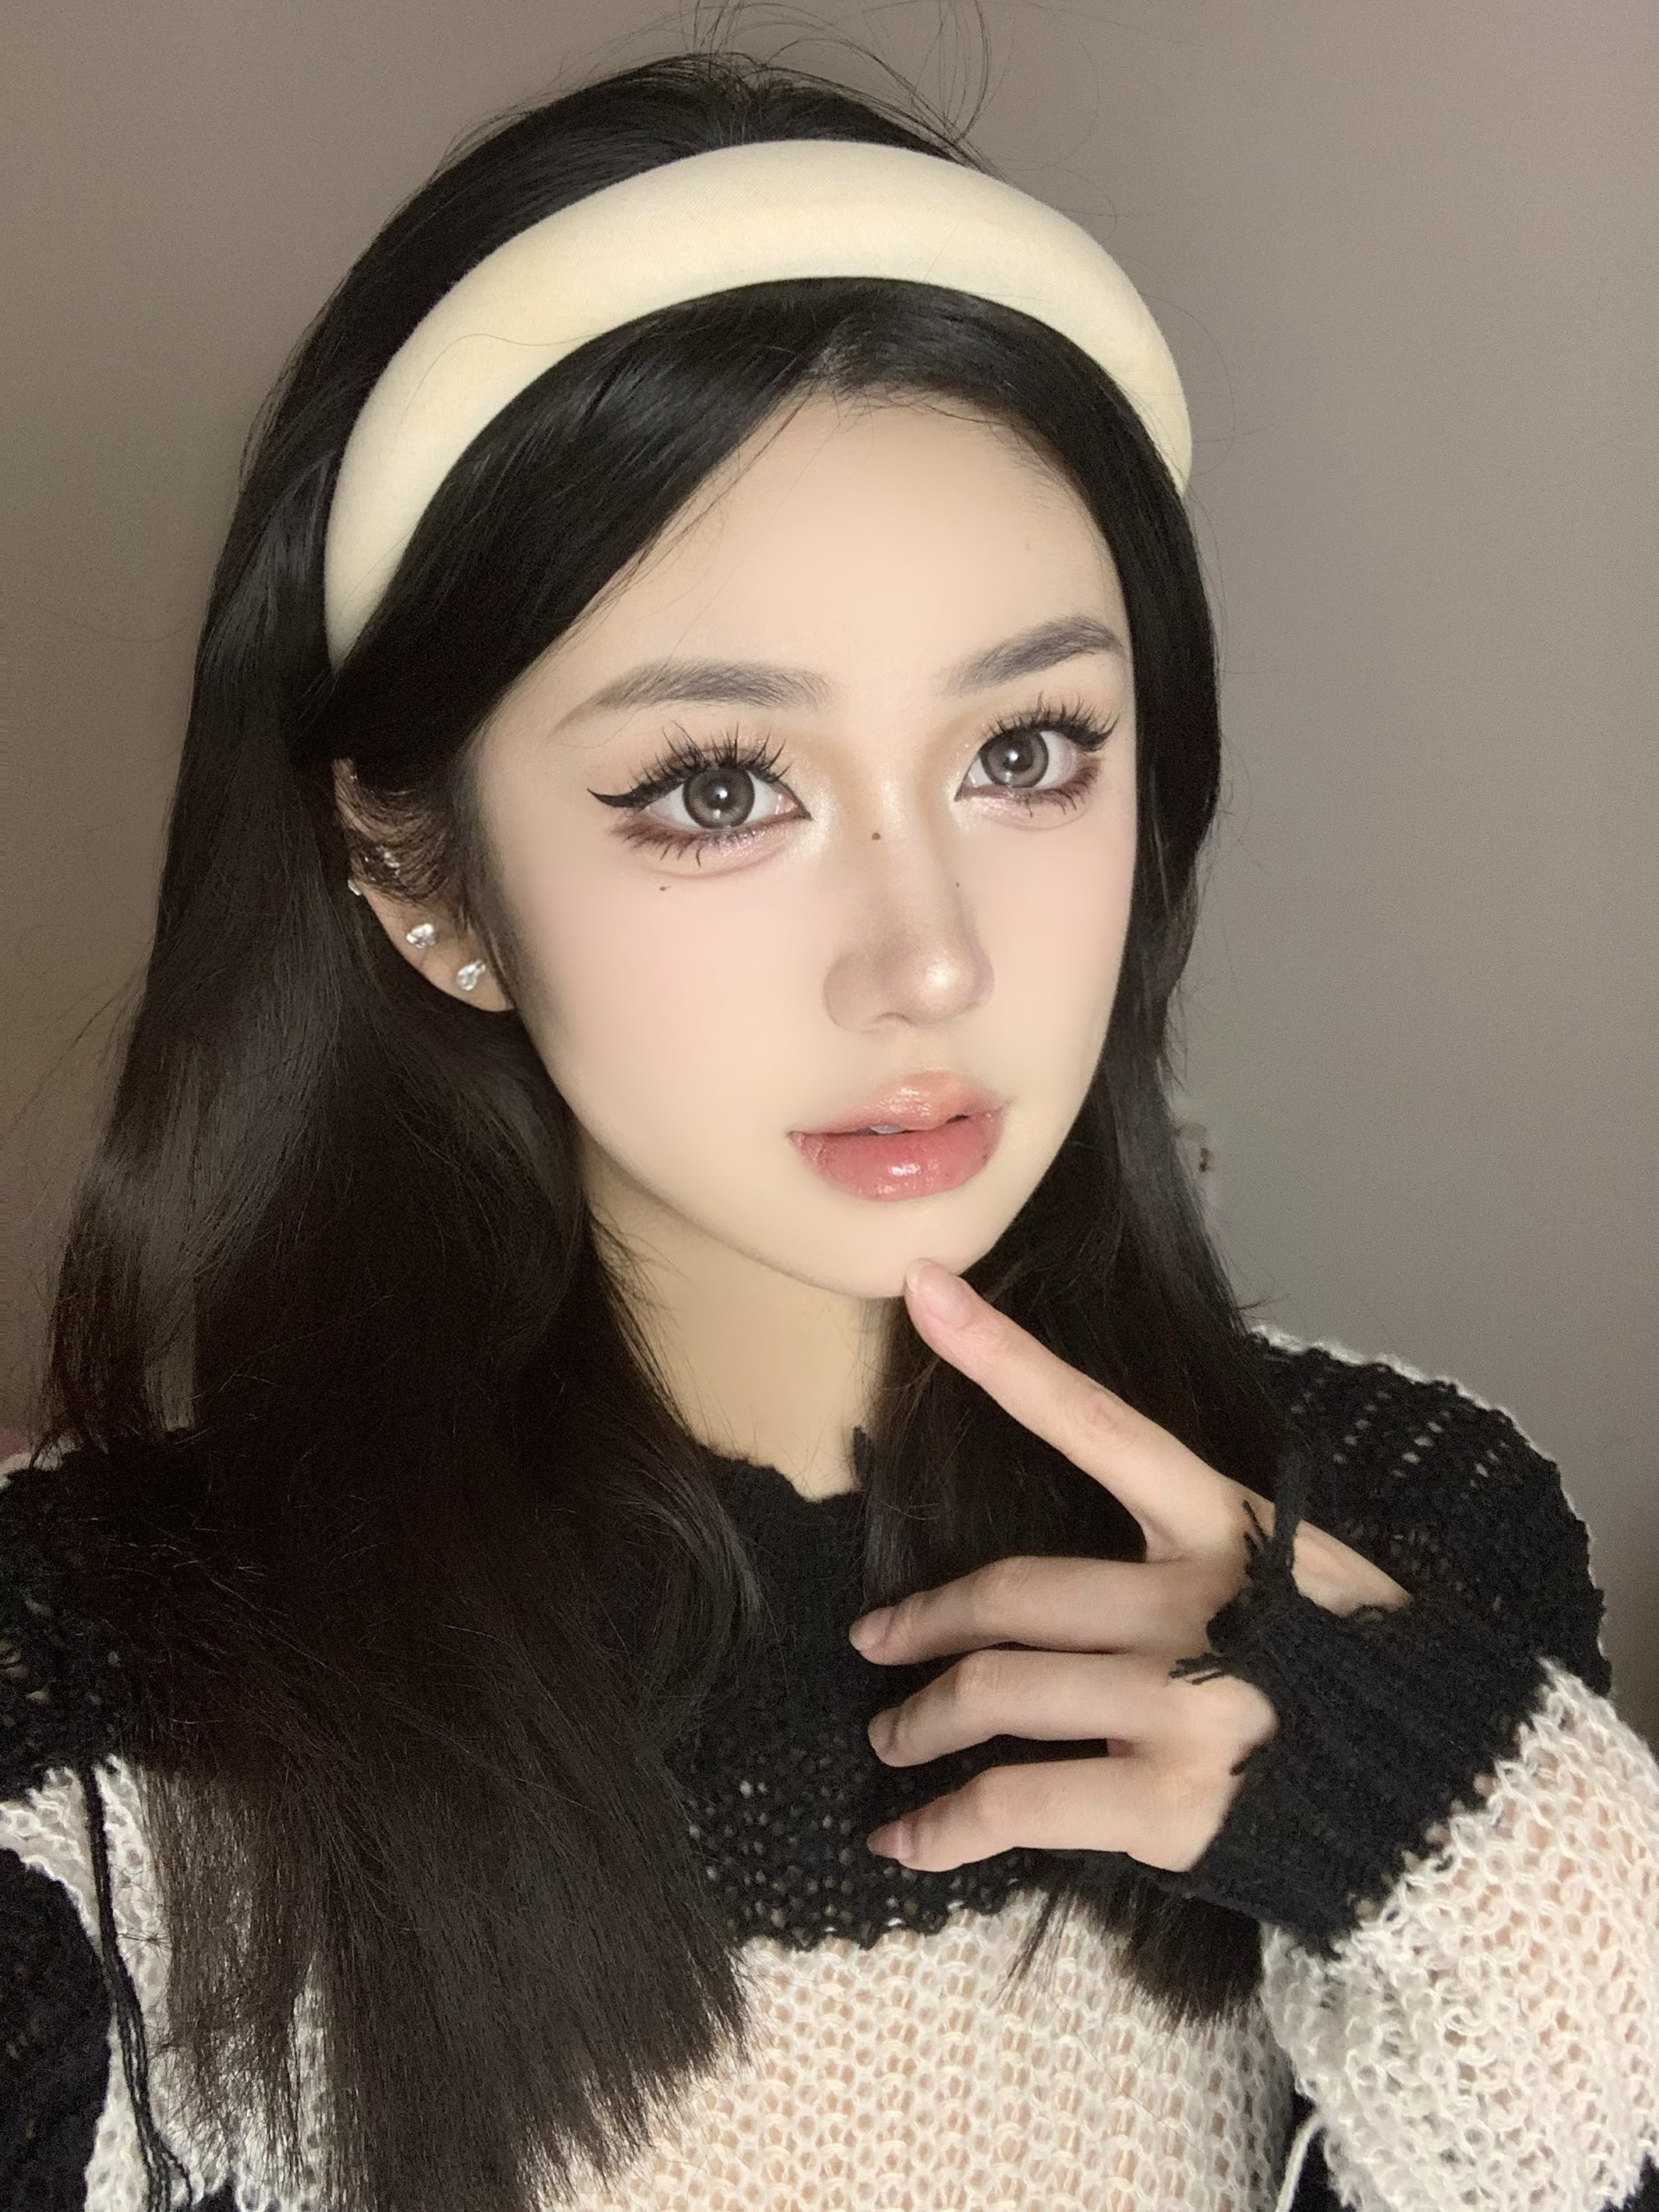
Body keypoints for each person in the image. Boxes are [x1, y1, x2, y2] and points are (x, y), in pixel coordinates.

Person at [2, 45, 1654, 2212]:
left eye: (1026, 751)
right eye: (718, 786)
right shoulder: (93, 1676)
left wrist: (1460, 1842)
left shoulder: (1403, 1542)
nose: (930, 961)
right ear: (422, 875)